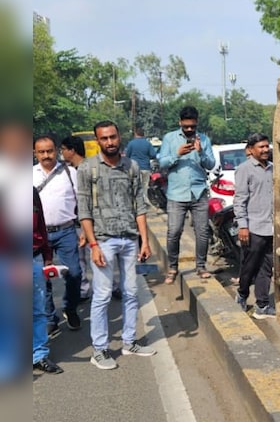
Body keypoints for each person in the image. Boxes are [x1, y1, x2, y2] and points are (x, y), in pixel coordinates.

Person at [77, 120, 156, 370]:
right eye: (104, 138)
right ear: (97, 140)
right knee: (102, 295)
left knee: (131, 292)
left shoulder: (131, 166)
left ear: (119, 136)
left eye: (113, 137)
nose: (109, 142)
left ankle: (129, 341)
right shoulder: (88, 169)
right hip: (103, 240)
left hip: (129, 239)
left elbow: (139, 206)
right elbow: (84, 210)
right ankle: (99, 349)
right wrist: (93, 245)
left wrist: (144, 240)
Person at [158, 106, 216, 284]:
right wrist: (177, 154)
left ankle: (201, 266)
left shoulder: (204, 139)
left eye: (192, 126)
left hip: (198, 192)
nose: (190, 129)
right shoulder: (170, 138)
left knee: (203, 232)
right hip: (177, 193)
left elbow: (211, 164)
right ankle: (173, 266)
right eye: (186, 126)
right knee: (174, 231)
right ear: (180, 123)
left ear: (197, 123)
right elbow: (162, 163)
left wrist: (200, 152)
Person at [33, 135, 83, 334]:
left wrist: (86, 232)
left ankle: (70, 308)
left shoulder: (70, 173)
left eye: (50, 150)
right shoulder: (28, 175)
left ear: (56, 150)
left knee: (75, 273)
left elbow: (83, 202)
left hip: (66, 231)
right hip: (36, 236)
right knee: (41, 279)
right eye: (42, 152)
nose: (46, 155)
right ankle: (49, 317)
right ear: (35, 153)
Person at [233, 134, 276, 319]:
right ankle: (242, 294)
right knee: (249, 266)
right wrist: (243, 225)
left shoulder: (273, 169)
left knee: (266, 268)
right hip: (253, 227)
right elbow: (239, 200)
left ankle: (262, 305)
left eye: (267, 146)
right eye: (261, 147)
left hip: (271, 227)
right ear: (251, 149)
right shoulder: (245, 169)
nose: (266, 150)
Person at [33, 187, 64, 374]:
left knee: (37, 310)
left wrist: (47, 255)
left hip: (33, 256)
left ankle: (39, 355)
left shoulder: (30, 192)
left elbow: (41, 225)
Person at [60, 135, 93, 302]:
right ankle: (83, 289)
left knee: (96, 254)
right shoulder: (68, 170)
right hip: (76, 221)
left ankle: (113, 286)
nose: (62, 153)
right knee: (79, 259)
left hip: (89, 220)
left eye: (63, 149)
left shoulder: (86, 169)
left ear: (71, 150)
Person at [124, 128, 157, 206]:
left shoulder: (131, 143)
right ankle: (144, 202)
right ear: (143, 134)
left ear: (135, 134)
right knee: (144, 187)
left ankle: (134, 202)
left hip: (134, 168)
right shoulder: (148, 144)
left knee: (134, 186)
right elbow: (153, 155)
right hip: (145, 168)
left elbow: (127, 155)